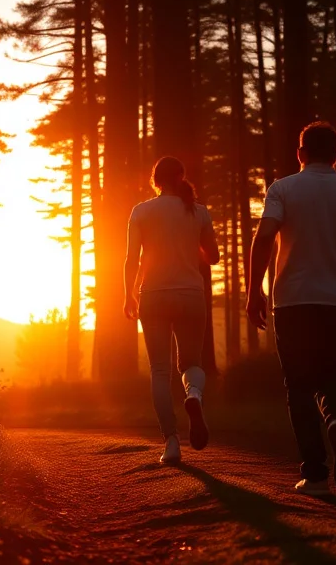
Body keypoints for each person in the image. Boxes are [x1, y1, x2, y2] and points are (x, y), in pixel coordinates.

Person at [246, 122, 336, 495]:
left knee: (299, 386)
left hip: (292, 301)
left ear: (300, 154)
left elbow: (263, 240)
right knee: (333, 376)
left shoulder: (283, 189)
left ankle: (316, 475)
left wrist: (252, 292)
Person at [124, 156, 221, 464]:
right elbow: (214, 257)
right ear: (181, 178)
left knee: (160, 371)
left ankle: (171, 443)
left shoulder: (141, 211)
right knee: (192, 362)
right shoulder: (199, 212)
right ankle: (193, 394)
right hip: (191, 294)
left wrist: (128, 295)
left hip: (153, 294)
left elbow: (131, 260)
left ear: (156, 180)